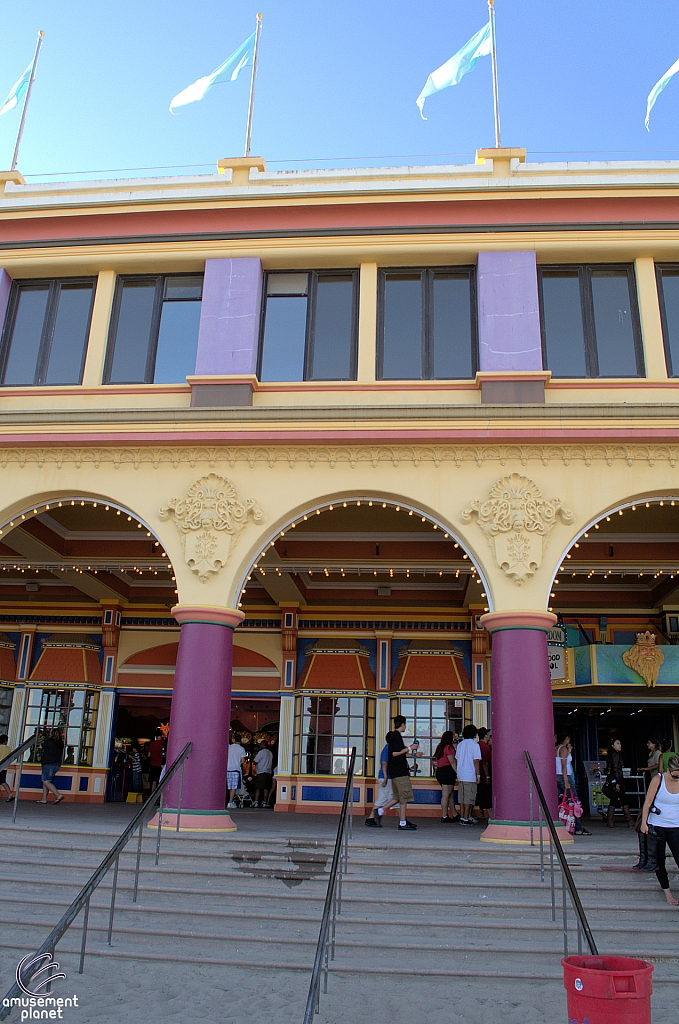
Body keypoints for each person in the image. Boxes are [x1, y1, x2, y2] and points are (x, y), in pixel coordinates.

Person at [641, 754, 679, 905]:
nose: (676, 778)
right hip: (657, 824)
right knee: (659, 860)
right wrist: (644, 823)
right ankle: (667, 893)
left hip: (675, 824)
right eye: (675, 776)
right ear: (669, 770)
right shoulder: (658, 779)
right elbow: (647, 803)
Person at [385, 715, 417, 831]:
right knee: (404, 798)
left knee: (398, 797)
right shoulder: (397, 736)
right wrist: (410, 748)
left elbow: (397, 753)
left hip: (394, 772)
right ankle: (402, 822)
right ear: (402, 724)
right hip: (400, 772)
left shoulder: (393, 737)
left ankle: (380, 810)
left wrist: (413, 754)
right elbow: (395, 753)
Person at [555, 732, 592, 836]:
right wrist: (567, 781)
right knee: (574, 802)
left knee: (561, 801)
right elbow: (564, 766)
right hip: (565, 776)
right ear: (566, 738)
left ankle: (565, 824)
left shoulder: (555, 748)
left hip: (557, 776)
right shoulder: (563, 749)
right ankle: (578, 827)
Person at [455, 724, 481, 825]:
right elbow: (476, 761)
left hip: (461, 774)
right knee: (469, 798)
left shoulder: (460, 744)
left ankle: (463, 816)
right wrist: (478, 774)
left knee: (462, 797)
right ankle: (466, 818)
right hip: (470, 774)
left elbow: (457, 758)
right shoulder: (475, 745)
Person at [605, 737, 633, 828]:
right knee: (622, 799)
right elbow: (615, 769)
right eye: (617, 743)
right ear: (613, 745)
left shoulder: (612, 755)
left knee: (615, 800)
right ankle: (629, 820)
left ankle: (610, 821)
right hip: (617, 780)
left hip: (615, 780)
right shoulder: (615, 755)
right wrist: (618, 782)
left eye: (620, 743)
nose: (620, 745)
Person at [433, 731, 458, 823]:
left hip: (440, 771)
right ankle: (444, 815)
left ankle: (454, 814)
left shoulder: (440, 747)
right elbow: (452, 761)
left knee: (449, 794)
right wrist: (457, 772)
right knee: (446, 794)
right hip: (448, 771)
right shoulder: (449, 748)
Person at [37, 728, 64, 805]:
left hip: (48, 763)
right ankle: (44, 798)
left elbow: (40, 747)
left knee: (45, 781)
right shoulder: (60, 743)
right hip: (57, 764)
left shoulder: (49, 742)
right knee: (47, 781)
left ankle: (58, 795)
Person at [476, 728, 492, 822]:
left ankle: (481, 813)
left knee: (480, 794)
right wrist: (487, 776)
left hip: (477, 774)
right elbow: (485, 762)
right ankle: (490, 816)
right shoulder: (485, 747)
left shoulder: (477, 745)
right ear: (485, 736)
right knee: (486, 795)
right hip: (484, 775)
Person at [227, 733, 247, 809]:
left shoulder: (229, 748)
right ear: (240, 740)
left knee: (230, 786)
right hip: (236, 769)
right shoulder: (241, 749)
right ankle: (230, 802)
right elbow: (242, 761)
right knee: (234, 787)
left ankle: (230, 800)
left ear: (233, 740)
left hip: (228, 769)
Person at [253, 740, 274, 807]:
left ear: (263, 745)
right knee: (266, 788)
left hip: (261, 772)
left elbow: (255, 761)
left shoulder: (261, 752)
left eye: (261, 744)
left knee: (258, 788)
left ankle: (256, 801)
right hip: (268, 772)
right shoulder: (270, 753)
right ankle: (264, 802)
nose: (260, 746)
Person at [0, 733, 12, 802]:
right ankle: (9, 794)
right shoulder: (8, 749)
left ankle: (10, 794)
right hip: (4, 767)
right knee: (3, 781)